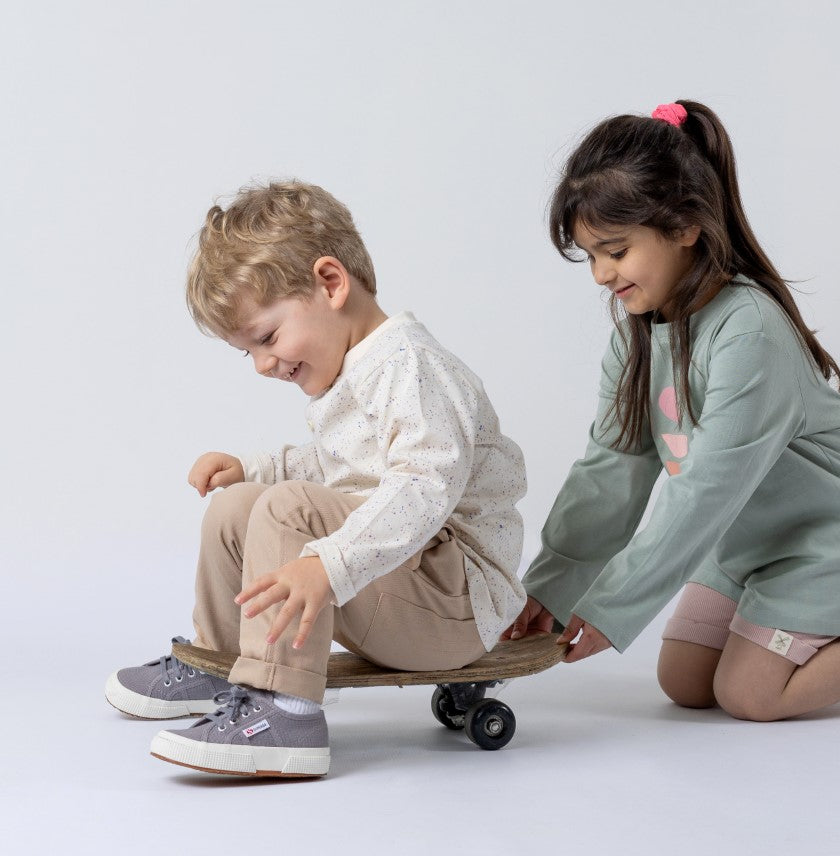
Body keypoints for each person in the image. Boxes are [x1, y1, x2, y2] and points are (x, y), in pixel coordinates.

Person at [506, 100, 840, 720]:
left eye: (616, 251)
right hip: (746, 535)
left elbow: (703, 489)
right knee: (684, 681)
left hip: (827, 530)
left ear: (684, 226)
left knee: (749, 694)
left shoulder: (749, 328)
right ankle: (790, 625)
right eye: (590, 256)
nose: (600, 275)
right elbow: (612, 465)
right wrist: (553, 587)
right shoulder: (637, 332)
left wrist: (613, 600)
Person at [106, 181, 527, 777]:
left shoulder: (409, 365)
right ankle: (223, 663)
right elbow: (339, 466)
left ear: (331, 284)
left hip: (456, 605)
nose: (263, 365)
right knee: (240, 507)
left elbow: (424, 488)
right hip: (408, 580)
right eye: (247, 351)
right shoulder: (360, 369)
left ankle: (284, 711)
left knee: (286, 510)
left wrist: (328, 564)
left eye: (269, 338)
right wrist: (252, 469)